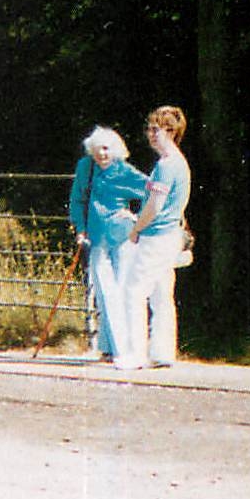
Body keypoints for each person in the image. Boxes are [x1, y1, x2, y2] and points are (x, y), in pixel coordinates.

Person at [116, 105, 191, 370]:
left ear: (170, 131)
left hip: (156, 237)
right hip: (169, 237)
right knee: (161, 294)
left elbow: (154, 205)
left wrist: (136, 228)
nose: (150, 134)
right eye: (149, 128)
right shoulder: (177, 163)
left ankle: (136, 355)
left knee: (134, 291)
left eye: (155, 129)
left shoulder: (167, 165)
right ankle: (162, 352)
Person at [66, 126, 148, 361]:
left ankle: (121, 349)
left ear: (116, 150)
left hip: (122, 238)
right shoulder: (86, 167)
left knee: (121, 290)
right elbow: (77, 200)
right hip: (96, 239)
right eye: (98, 148)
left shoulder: (124, 170)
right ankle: (110, 347)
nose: (102, 153)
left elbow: (154, 191)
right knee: (103, 293)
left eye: (107, 148)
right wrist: (80, 230)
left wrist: (136, 217)